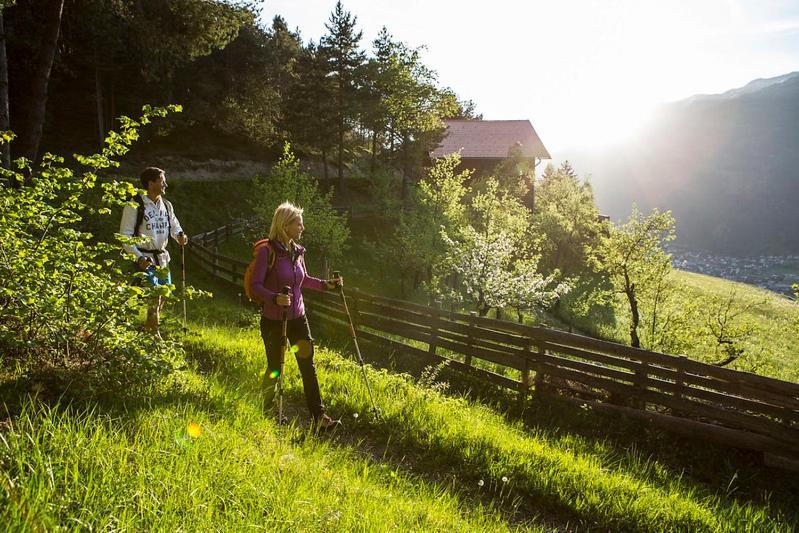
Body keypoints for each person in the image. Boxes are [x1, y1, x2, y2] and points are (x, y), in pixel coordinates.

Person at [250, 201, 341, 429]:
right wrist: (274, 298)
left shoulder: (297, 252)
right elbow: (255, 285)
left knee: (307, 366)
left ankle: (319, 417)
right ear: (285, 225)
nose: (302, 228)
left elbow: (304, 279)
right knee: (275, 367)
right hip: (274, 320)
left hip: (298, 318)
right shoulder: (266, 252)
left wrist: (326, 285)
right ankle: (269, 409)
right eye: (298, 223)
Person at [119, 167, 188, 333]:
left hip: (163, 259)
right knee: (154, 298)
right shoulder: (134, 205)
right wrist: (138, 257)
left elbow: (174, 226)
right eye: (162, 180)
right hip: (146, 259)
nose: (165, 184)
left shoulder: (166, 205)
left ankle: (148, 329)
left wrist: (180, 236)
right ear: (151, 184)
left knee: (164, 294)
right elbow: (125, 236)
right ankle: (152, 334)